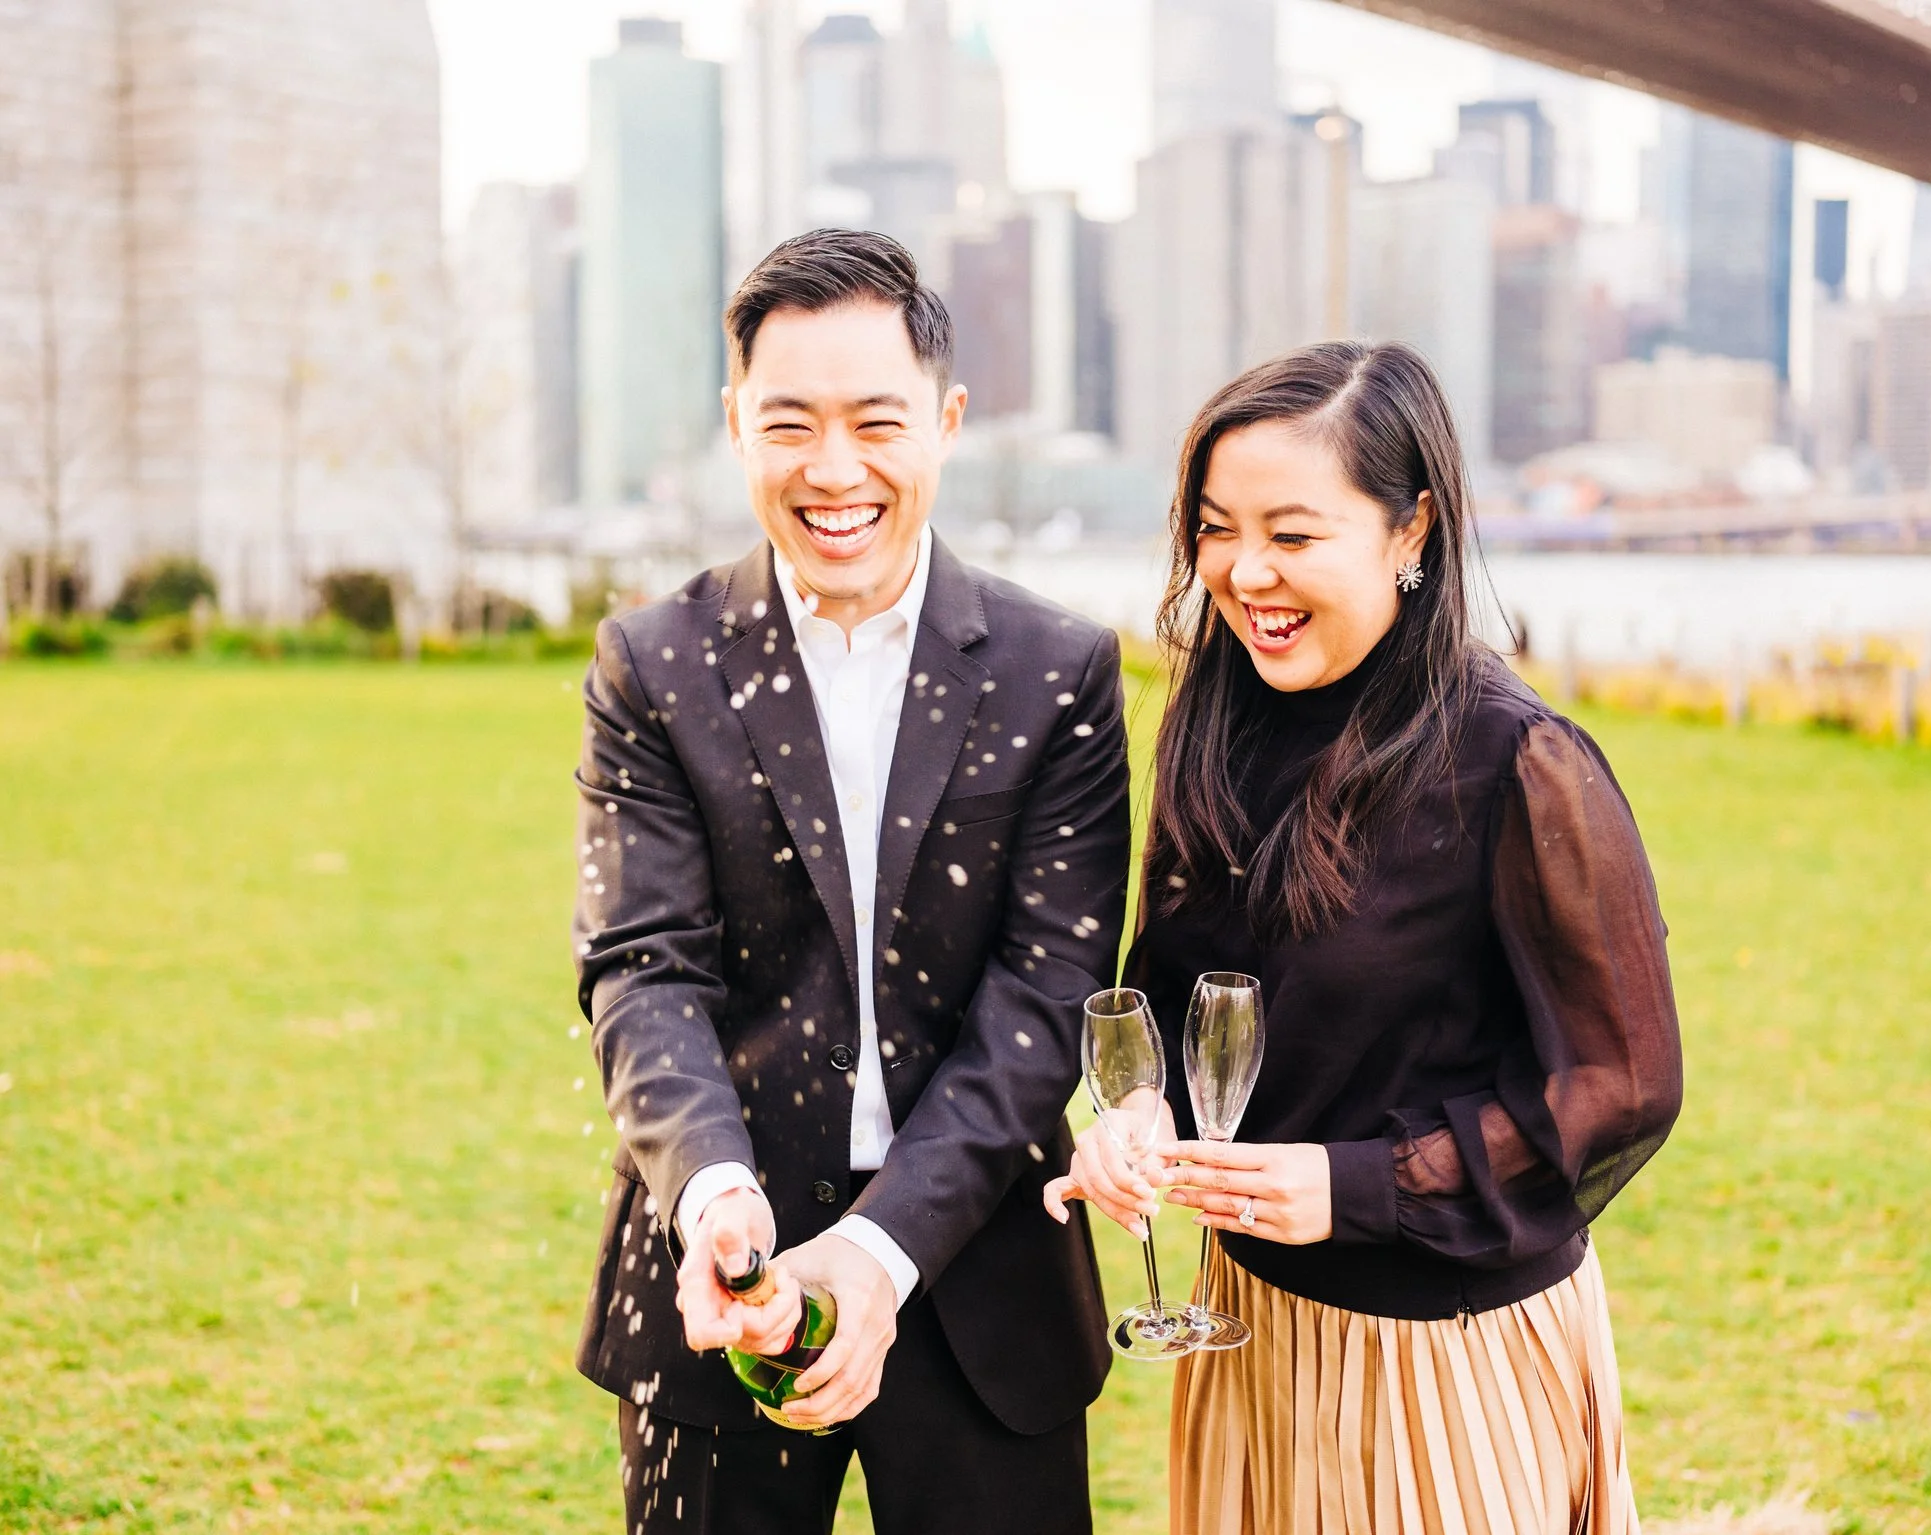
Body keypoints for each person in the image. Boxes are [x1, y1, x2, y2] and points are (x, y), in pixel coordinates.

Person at [1048, 341, 1683, 1535]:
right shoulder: (1217, 711)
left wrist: (1350, 1184)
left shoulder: (1515, 760)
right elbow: (1187, 990)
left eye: (1291, 534)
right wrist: (1138, 1117)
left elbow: (1620, 1085)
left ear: (1411, 532)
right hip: (1248, 1325)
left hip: (1442, 1357)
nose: (1244, 573)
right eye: (1216, 527)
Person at [573, 229, 1128, 1535]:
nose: (835, 470)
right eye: (789, 424)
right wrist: (714, 1191)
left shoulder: (1058, 670)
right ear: (735, 425)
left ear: (945, 419)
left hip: (984, 1274)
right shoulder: (652, 664)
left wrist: (876, 1258)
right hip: (724, 1282)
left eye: (877, 421)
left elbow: (1045, 1002)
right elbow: (641, 966)